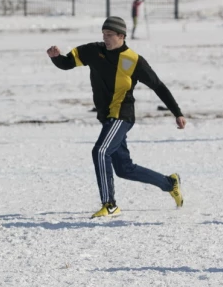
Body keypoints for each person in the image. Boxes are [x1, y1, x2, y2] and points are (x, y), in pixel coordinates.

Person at [46, 16, 186, 219]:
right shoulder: (93, 51)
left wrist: (177, 112)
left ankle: (110, 204)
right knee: (124, 169)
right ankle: (169, 183)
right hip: (107, 117)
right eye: (103, 34)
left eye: (110, 35)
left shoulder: (132, 60)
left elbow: (158, 86)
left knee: (101, 151)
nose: (105, 38)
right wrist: (56, 57)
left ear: (121, 36)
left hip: (122, 115)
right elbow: (67, 63)